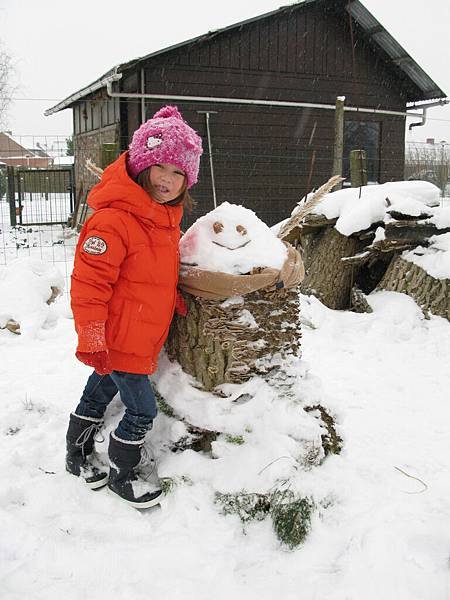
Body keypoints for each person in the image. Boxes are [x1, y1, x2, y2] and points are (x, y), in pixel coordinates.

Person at [65, 105, 203, 508]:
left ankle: (76, 454)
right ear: (142, 163)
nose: (167, 179)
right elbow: (89, 284)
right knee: (141, 410)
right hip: (119, 338)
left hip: (138, 335)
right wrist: (91, 336)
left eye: (179, 172)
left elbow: (148, 275)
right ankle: (122, 473)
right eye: (160, 166)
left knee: (98, 394)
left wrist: (169, 298)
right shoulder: (114, 221)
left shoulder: (162, 219)